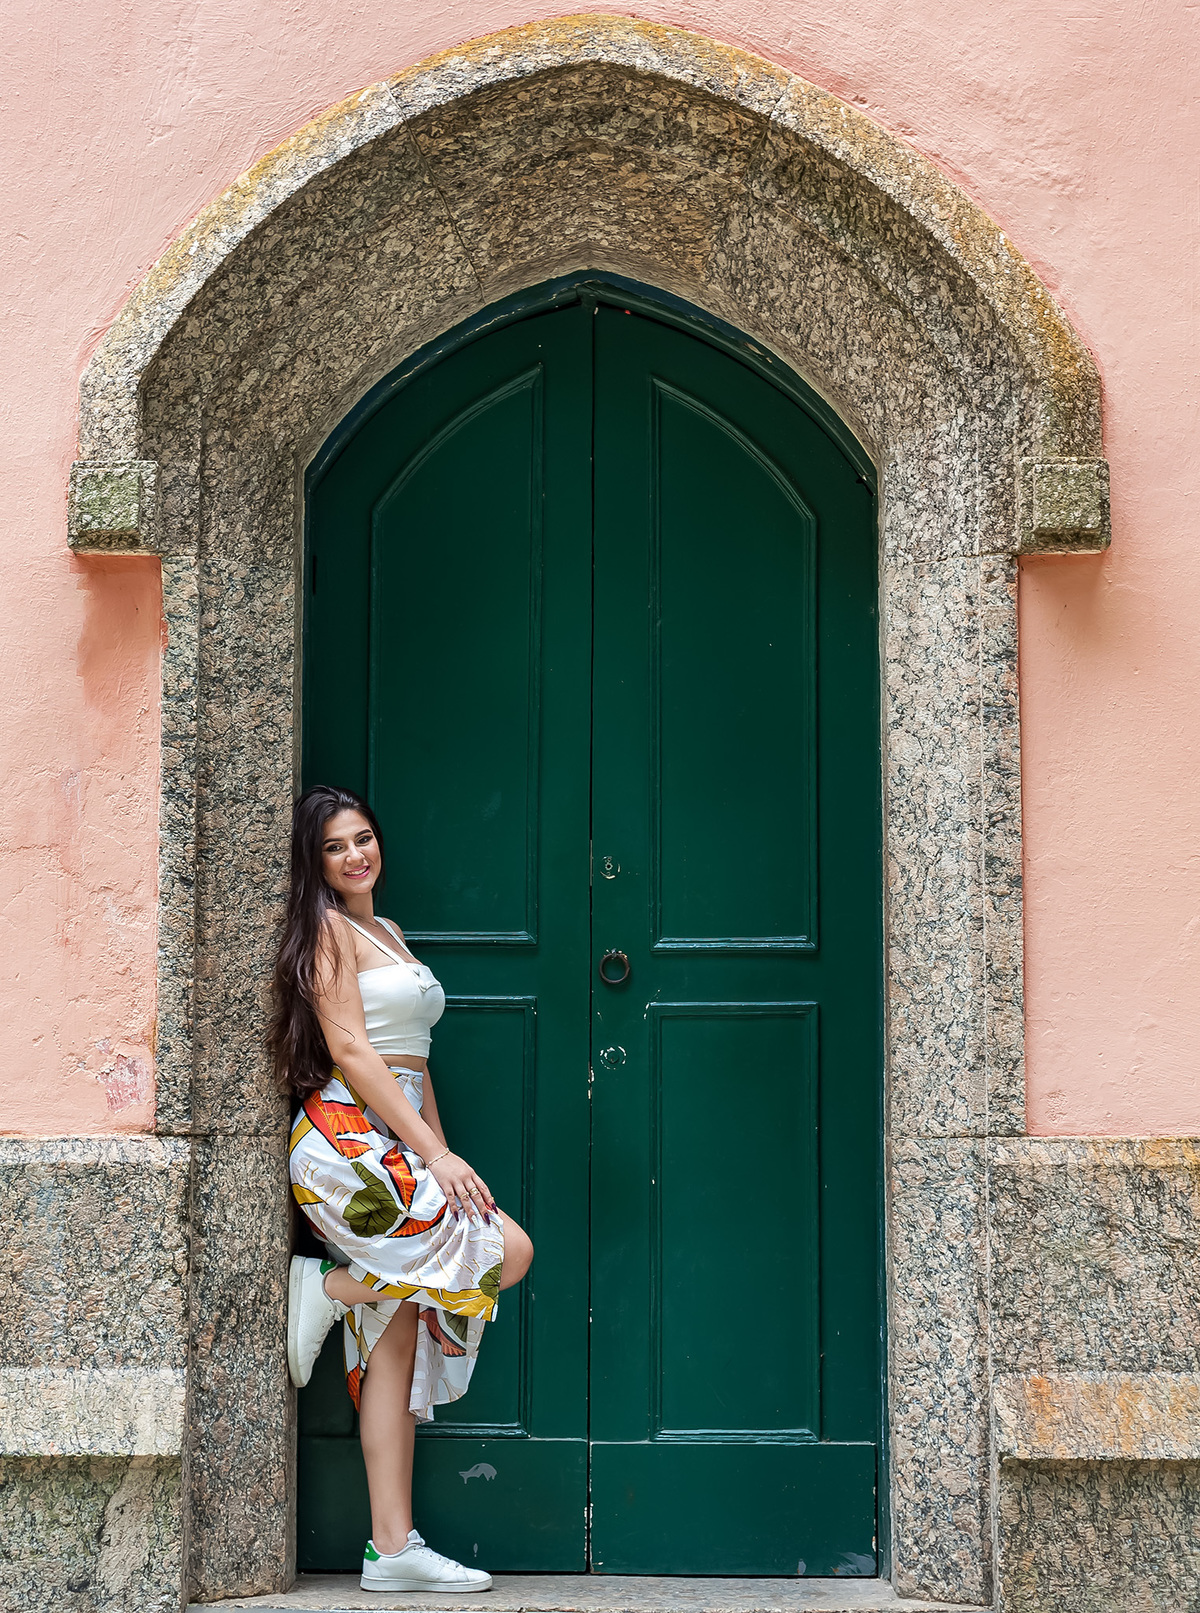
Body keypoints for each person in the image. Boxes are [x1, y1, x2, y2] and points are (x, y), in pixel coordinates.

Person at [270, 784, 533, 1593]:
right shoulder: (326, 929)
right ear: (314, 862)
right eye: (334, 846)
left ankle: (391, 1548)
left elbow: (416, 1062)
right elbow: (354, 1051)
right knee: (509, 1251)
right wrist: (433, 1156)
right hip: (349, 1141)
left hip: (400, 1139)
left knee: (397, 1338)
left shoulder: (388, 931)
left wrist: (442, 1155)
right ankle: (326, 1285)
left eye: (363, 838)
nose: (355, 855)